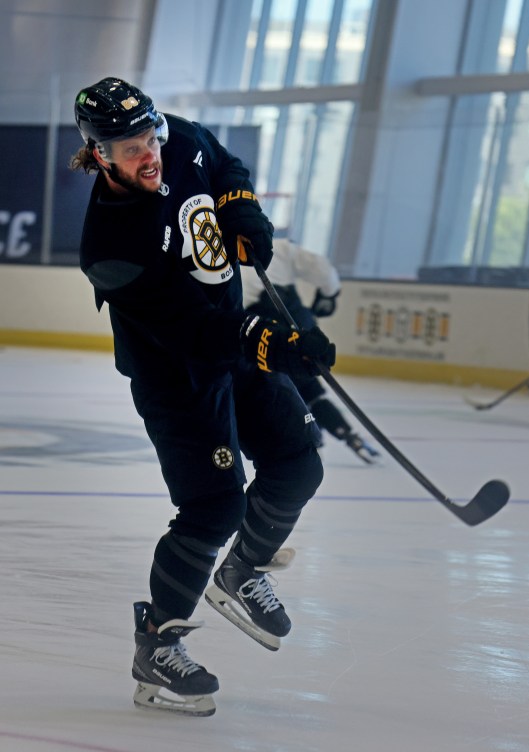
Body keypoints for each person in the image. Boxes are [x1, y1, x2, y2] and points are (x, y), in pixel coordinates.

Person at [71, 77, 336, 716]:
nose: (147, 151)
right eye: (127, 146)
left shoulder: (178, 138)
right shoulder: (111, 248)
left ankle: (243, 570)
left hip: (231, 343)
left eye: (148, 134)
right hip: (177, 375)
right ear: (98, 154)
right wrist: (274, 345)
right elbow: (196, 334)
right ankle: (156, 646)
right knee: (212, 507)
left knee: (299, 460)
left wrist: (243, 211)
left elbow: (221, 165)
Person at [240, 238, 380, 464]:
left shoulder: (219, 259)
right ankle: (344, 435)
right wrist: (328, 294)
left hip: (265, 333)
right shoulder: (276, 246)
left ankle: (308, 442)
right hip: (300, 324)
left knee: (280, 389)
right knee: (308, 387)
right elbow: (322, 269)